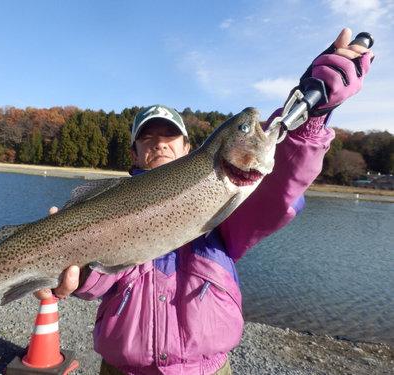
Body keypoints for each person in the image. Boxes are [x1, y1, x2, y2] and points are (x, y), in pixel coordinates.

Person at [34, 28, 374, 375]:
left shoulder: (229, 201)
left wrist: (312, 117)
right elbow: (98, 284)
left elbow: (282, 184)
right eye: (147, 138)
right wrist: (75, 275)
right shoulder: (108, 206)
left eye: (169, 136)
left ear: (187, 147)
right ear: (134, 154)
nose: (159, 144)